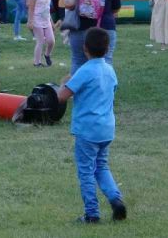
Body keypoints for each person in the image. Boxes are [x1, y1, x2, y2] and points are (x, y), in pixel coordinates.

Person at [57, 28, 127, 224]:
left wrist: (64, 83)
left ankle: (92, 214)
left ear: (84, 48)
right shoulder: (109, 70)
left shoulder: (85, 70)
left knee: (86, 171)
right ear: (107, 48)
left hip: (87, 131)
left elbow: (62, 97)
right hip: (106, 129)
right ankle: (115, 199)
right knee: (101, 167)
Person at [64, 0, 121, 74]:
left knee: (78, 61)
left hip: (81, 26)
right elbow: (116, 9)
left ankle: (78, 91)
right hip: (105, 27)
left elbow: (69, 3)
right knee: (106, 61)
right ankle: (105, 90)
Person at [28, 0, 55, 67]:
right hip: (37, 21)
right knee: (40, 42)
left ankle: (47, 55)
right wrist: (30, 21)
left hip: (47, 22)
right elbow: (31, 9)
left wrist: (51, 21)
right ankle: (37, 62)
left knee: (51, 41)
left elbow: (47, 10)